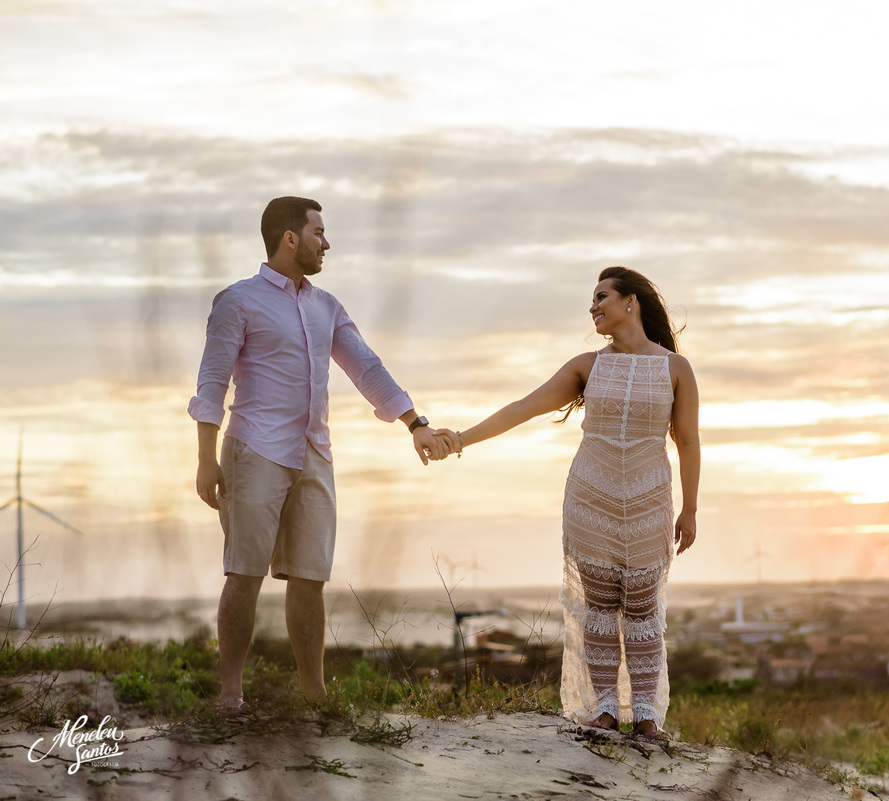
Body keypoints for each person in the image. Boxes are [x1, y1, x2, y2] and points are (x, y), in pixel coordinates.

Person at [189, 196, 450, 710]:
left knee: (310, 578)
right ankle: (230, 696)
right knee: (244, 572)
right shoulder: (238, 300)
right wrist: (205, 458)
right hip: (254, 448)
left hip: (314, 453)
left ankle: (315, 699)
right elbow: (212, 382)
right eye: (319, 233)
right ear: (291, 238)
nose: (326, 243)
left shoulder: (327, 305)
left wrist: (415, 424)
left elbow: (366, 368)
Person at [433, 266, 700, 739]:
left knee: (642, 606)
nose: (593, 307)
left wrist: (691, 509)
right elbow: (523, 407)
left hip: (649, 499)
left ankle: (645, 716)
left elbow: (689, 443)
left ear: (631, 302)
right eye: (591, 301)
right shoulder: (587, 365)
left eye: (602, 297)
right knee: (599, 607)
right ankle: (601, 709)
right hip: (590, 497)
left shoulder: (675, 369)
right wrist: (460, 440)